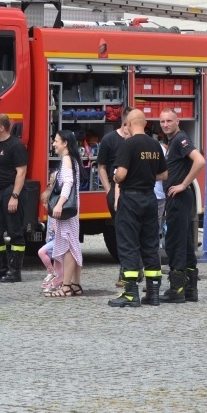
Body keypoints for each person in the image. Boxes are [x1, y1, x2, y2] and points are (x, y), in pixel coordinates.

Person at [109, 109, 168, 307]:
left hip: (131, 199)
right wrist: (146, 175)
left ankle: (130, 293)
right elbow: (164, 175)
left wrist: (115, 177)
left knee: (128, 245)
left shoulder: (128, 144)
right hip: (150, 199)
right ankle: (153, 293)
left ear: (129, 123)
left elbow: (121, 175)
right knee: (150, 245)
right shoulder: (155, 145)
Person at [161, 107, 205, 303]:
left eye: (169, 121)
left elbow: (200, 161)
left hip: (179, 198)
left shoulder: (180, 139)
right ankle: (190, 289)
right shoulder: (174, 141)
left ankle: (177, 289)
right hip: (179, 199)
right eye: (162, 122)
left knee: (175, 243)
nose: (165, 125)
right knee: (185, 243)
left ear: (177, 121)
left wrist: (184, 184)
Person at [0, 113, 30, 283]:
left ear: (2, 128)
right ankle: (1, 268)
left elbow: (21, 172)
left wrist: (14, 196)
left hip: (12, 192)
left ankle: (15, 271)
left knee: (14, 232)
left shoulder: (16, 146)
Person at [97, 106, 133, 287]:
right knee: (122, 232)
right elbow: (101, 167)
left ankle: (132, 270)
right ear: (126, 122)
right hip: (116, 191)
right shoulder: (110, 140)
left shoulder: (138, 140)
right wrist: (108, 191)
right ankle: (126, 270)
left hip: (134, 191)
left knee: (132, 232)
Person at [45, 130, 84, 298]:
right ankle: (75, 284)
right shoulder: (72, 159)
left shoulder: (67, 160)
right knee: (73, 245)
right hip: (72, 210)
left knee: (68, 247)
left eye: (56, 141)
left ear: (65, 143)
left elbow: (68, 184)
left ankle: (66, 286)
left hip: (67, 210)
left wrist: (59, 204)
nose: (53, 144)